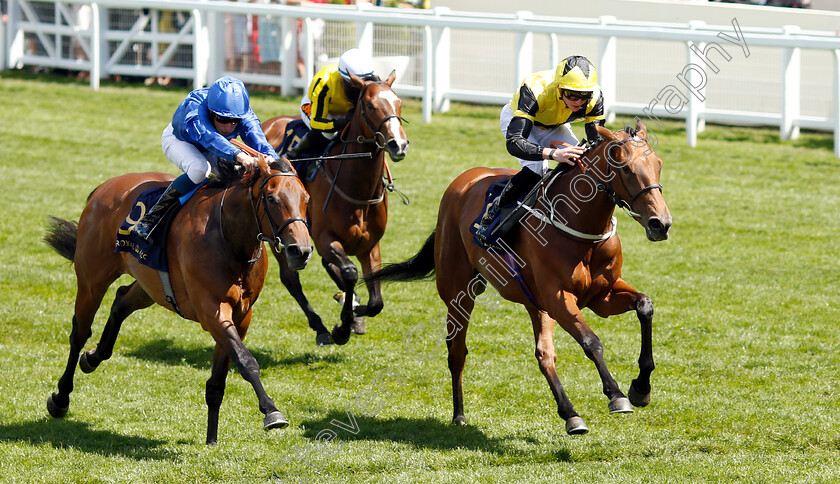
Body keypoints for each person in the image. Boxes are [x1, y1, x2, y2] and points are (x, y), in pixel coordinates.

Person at [474, 55, 605, 241]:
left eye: (585, 96)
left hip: (554, 126)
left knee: (582, 162)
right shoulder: (536, 89)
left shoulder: (595, 97)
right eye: (572, 95)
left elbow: (597, 142)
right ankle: (495, 209)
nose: (579, 102)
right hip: (520, 121)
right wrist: (553, 154)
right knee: (537, 169)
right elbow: (515, 143)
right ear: (559, 88)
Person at [132, 76, 279, 240]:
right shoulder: (195, 106)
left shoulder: (243, 113)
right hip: (180, 141)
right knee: (199, 169)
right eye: (222, 119)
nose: (229, 126)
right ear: (210, 111)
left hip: (218, 147)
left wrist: (273, 160)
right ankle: (151, 218)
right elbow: (210, 139)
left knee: (239, 174)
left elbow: (258, 140)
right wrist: (241, 156)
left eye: (235, 121)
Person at [287, 48, 379, 158]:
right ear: (343, 79)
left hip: (344, 110)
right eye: (355, 84)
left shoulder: (373, 80)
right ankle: (295, 151)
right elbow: (316, 123)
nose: (360, 89)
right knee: (329, 133)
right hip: (314, 107)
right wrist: (340, 123)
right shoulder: (324, 82)